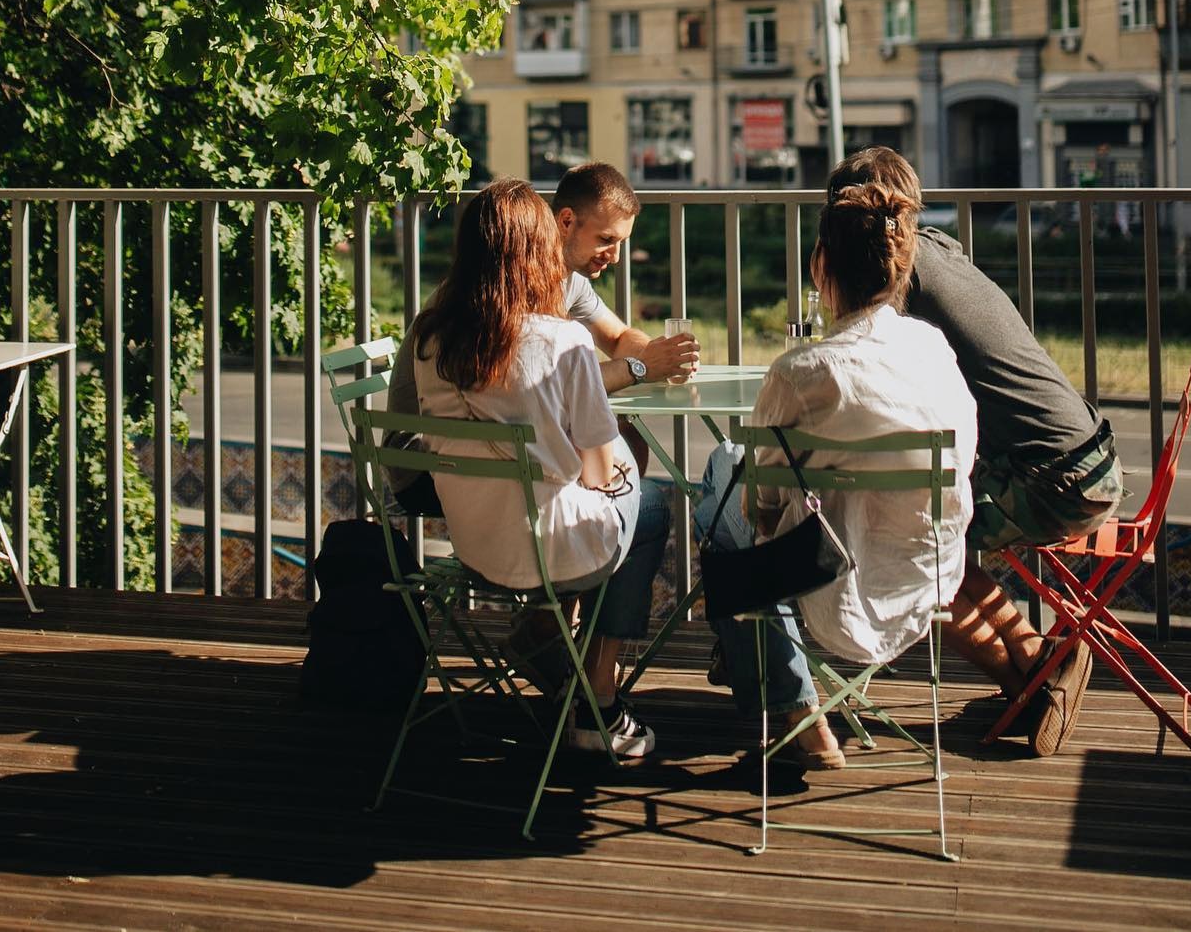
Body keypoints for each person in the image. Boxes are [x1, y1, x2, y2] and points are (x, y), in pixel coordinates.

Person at [833, 148, 1124, 757]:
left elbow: (866, 373)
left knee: (912, 545)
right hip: (1090, 458)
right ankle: (1038, 669)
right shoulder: (937, 246)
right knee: (936, 538)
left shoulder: (897, 281)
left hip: (1053, 479)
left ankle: (1034, 677)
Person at [703, 169, 977, 768]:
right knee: (736, 487)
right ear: (901, 267)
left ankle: (792, 708)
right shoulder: (935, 350)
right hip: (926, 581)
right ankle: (786, 702)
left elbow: (760, 509)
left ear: (819, 267)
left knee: (720, 492)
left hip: (828, 589)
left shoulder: (803, 373)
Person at [410, 179, 670, 757]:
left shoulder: (431, 338)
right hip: (553, 553)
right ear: (538, 248)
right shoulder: (561, 342)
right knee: (649, 504)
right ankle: (598, 698)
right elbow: (601, 476)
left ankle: (553, 646)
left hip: (476, 549)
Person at [385, 162, 699, 510]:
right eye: (607, 239)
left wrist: (658, 356)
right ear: (563, 222)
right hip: (431, 465)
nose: (615, 256)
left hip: (482, 449)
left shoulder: (563, 281)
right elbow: (529, 383)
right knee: (631, 476)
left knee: (616, 438)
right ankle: (577, 542)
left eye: (621, 242)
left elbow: (618, 336)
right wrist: (637, 368)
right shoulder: (492, 294)